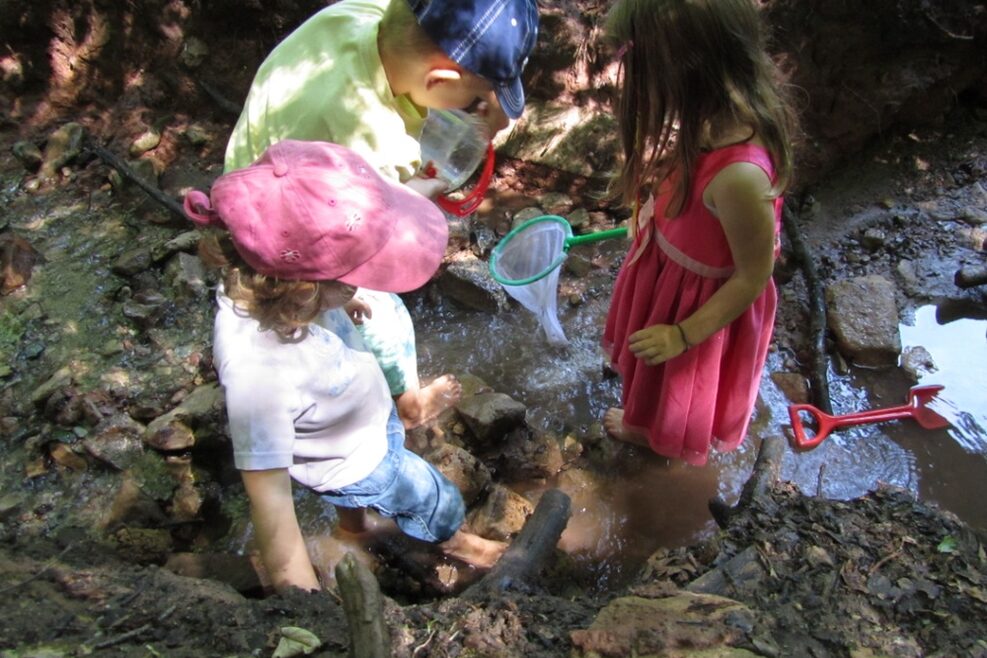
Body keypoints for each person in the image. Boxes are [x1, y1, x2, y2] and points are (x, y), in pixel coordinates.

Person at [184, 140, 507, 592]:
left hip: (352, 429)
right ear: (305, 290)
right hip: (356, 462)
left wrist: (342, 298)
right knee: (433, 497)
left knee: (355, 496)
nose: (366, 282)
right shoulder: (257, 372)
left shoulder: (262, 272)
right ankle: (459, 543)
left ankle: (353, 529)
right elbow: (272, 509)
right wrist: (304, 604)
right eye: (353, 276)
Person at [224, 0, 540, 429]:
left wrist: (481, 96)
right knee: (382, 323)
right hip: (296, 243)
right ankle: (407, 406)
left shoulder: (357, 14)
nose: (474, 108)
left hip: (251, 194)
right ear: (440, 79)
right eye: (473, 99)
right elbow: (374, 222)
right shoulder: (373, 144)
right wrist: (421, 191)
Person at [601, 0, 799, 466]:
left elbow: (752, 277)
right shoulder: (717, 119)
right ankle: (648, 413)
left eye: (642, 73)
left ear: (689, 78)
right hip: (672, 273)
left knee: (676, 380)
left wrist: (685, 335)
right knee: (653, 368)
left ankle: (656, 434)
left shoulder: (740, 177)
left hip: (699, 303)